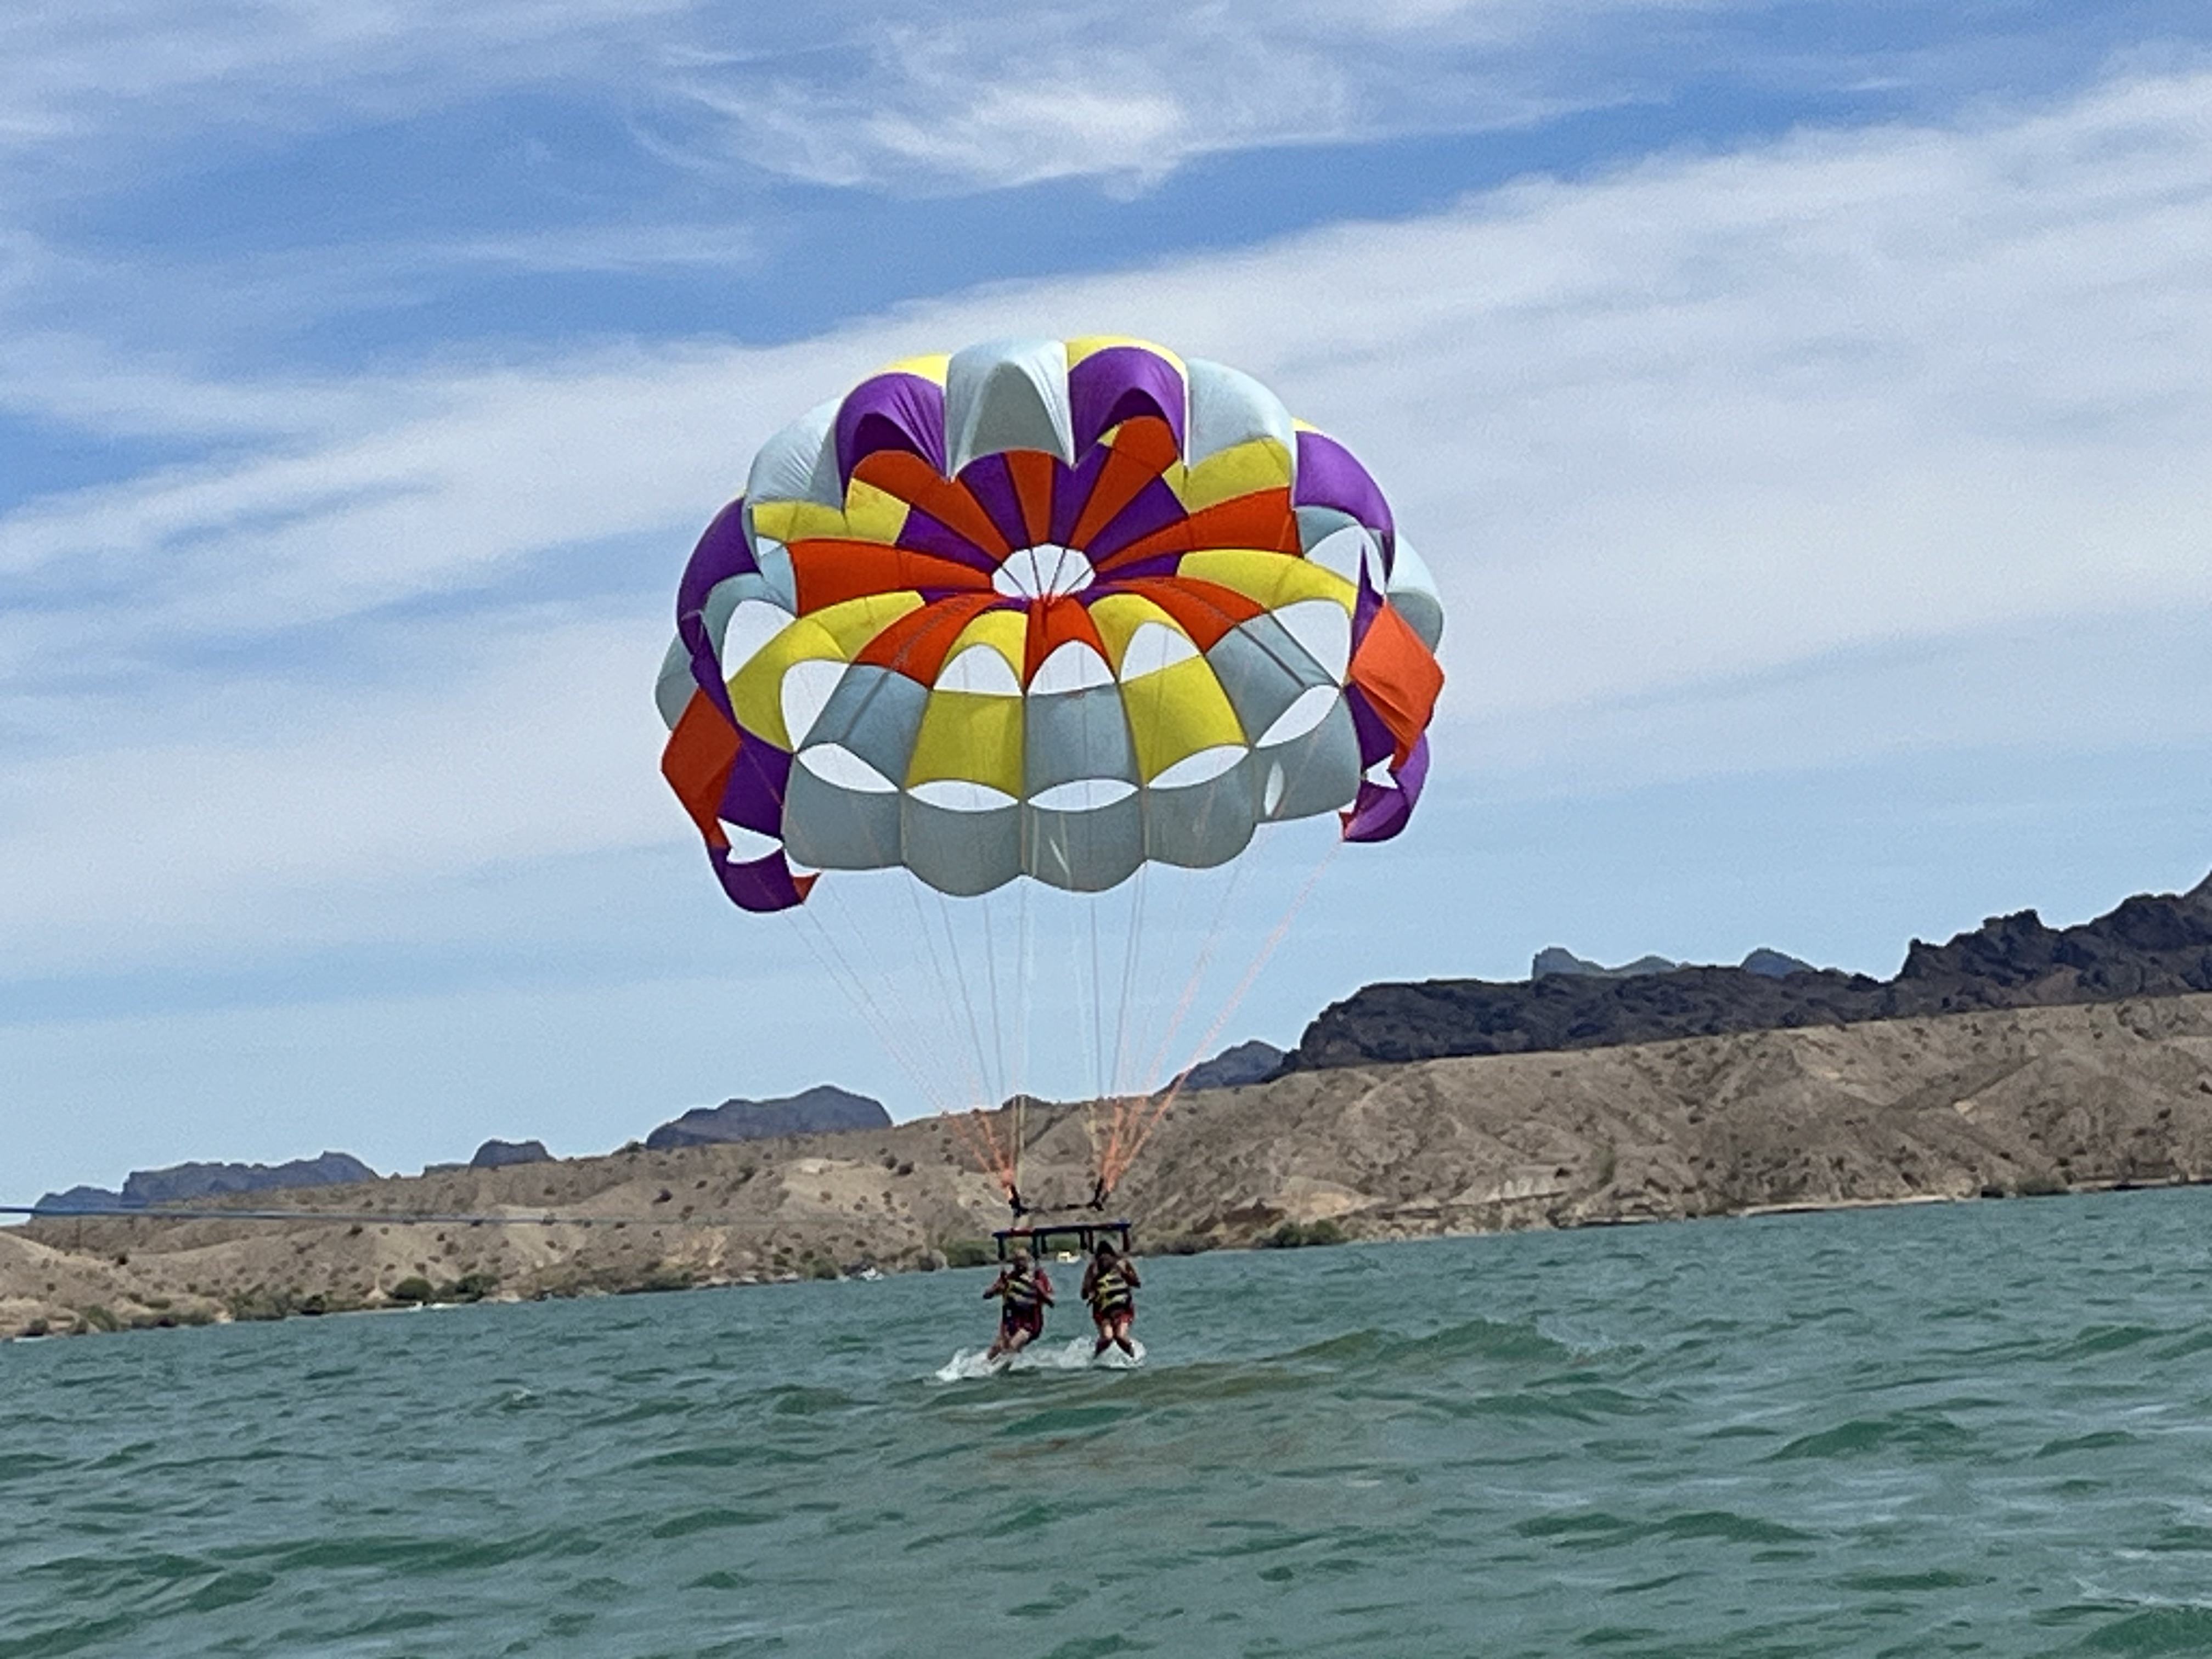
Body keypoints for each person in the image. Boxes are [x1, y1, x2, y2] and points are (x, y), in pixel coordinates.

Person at [984, 1249, 1053, 1362]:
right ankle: (985, 1369)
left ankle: (1009, 1373)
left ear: (1028, 1261)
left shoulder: (1038, 1278)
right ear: (1013, 1263)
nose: (1020, 1264)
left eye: (1023, 1260)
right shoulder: (1008, 1279)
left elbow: (1052, 1302)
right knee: (996, 1349)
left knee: (1012, 1346)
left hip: (1030, 1324)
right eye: (1017, 1261)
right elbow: (987, 1295)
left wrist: (1041, 1291)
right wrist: (993, 1290)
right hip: (1011, 1322)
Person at [1081, 1238, 1140, 1358]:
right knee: (1108, 1338)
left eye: (1107, 1256)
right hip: (1103, 1311)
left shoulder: (1123, 1264)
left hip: (1124, 1309)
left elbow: (1137, 1283)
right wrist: (1092, 1283)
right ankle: (1095, 1358)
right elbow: (1084, 1294)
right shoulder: (1093, 1269)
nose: (1105, 1259)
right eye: (1102, 1257)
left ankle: (1133, 1359)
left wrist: (1125, 1274)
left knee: (1120, 1337)